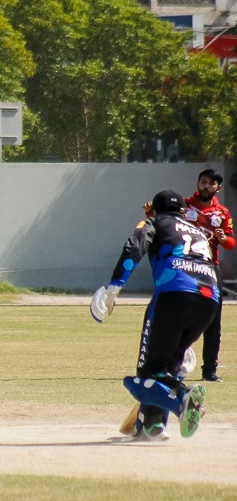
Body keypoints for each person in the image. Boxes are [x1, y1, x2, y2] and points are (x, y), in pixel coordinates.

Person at [91, 190, 216, 441]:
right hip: (209, 300)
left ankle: (182, 399)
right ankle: (151, 427)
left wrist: (114, 287)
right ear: (183, 211)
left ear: (156, 210)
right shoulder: (197, 231)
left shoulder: (155, 222)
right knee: (164, 368)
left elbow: (134, 246)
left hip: (173, 294)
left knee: (143, 376)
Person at [184, 169, 234, 381]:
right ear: (198, 183)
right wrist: (150, 213)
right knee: (180, 314)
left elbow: (231, 243)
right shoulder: (184, 206)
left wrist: (223, 239)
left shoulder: (222, 213)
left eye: (210, 184)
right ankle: (173, 363)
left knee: (213, 319)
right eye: (203, 182)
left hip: (210, 268)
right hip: (186, 266)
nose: (205, 186)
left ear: (218, 187)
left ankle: (210, 370)